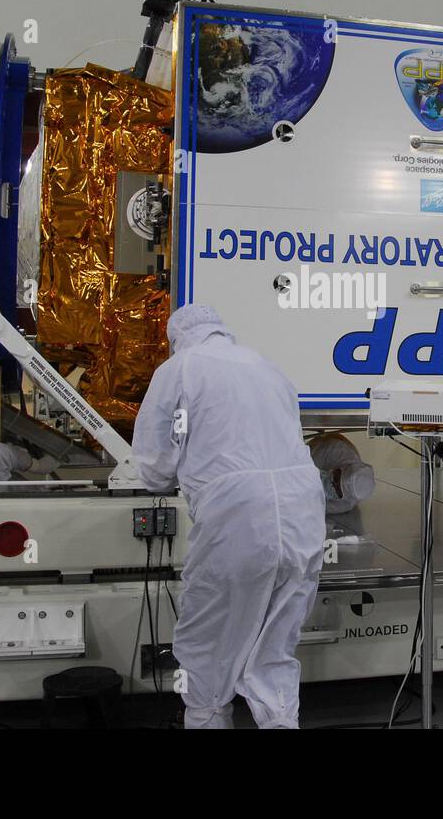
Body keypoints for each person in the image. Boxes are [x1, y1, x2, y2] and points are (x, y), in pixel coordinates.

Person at [132, 304, 324, 729]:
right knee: (275, 643)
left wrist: (168, 474)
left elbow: (153, 466)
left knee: (210, 635)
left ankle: (205, 717)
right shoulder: (267, 366)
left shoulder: (179, 369)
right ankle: (279, 722)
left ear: (176, 337)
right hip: (303, 514)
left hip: (238, 516)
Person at [307, 432, 376, 516]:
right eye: (336, 478)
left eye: (338, 490)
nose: (332, 484)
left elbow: (314, 507)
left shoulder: (345, 505)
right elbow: (301, 467)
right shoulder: (335, 450)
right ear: (342, 468)